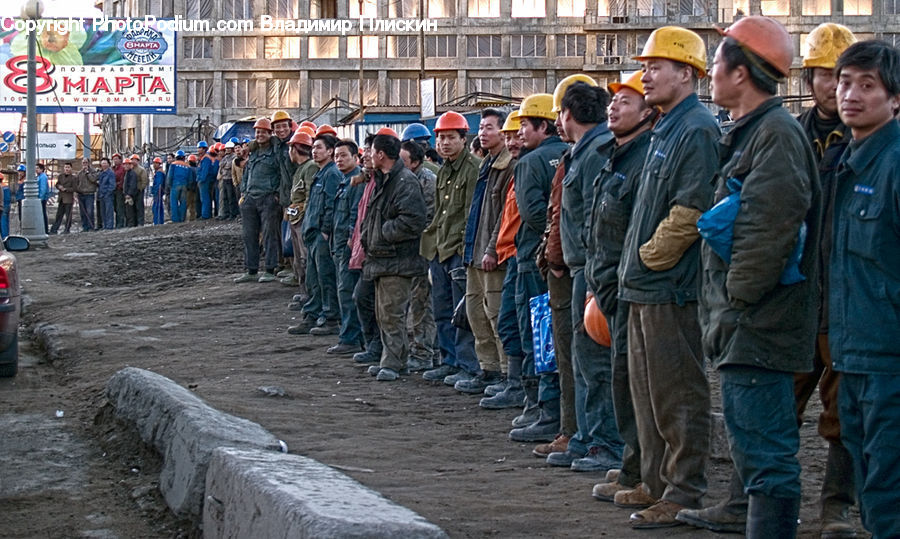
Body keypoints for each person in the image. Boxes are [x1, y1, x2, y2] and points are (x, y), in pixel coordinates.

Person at [696, 17, 821, 537]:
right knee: (754, 449)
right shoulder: (755, 133)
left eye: (718, 61)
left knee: (767, 456)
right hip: (747, 324)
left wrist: (736, 304)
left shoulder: (775, 135)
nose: (710, 72)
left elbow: (768, 233)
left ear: (741, 73)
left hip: (758, 326)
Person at [617, 26, 718, 528]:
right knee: (648, 391)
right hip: (644, 284)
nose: (645, 74)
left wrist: (649, 258)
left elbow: (691, 208)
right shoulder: (666, 126)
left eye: (655, 66)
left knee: (677, 391)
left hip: (668, 285)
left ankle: (684, 490)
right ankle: (654, 483)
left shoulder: (696, 128)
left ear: (687, 73)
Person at [830, 39, 900, 539]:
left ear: (895, 99)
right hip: (853, 355)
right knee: (869, 473)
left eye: (867, 85)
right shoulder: (847, 164)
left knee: (887, 486)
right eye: (844, 82)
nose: (850, 94)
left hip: (890, 360)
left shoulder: (893, 165)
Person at [793, 23, 860, 539]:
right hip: (793, 297)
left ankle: (836, 508)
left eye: (841, 76)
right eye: (823, 75)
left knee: (843, 413)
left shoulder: (873, 144)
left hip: (845, 302)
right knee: (774, 405)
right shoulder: (790, 136)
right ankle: (764, 501)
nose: (833, 87)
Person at [587, 70, 657, 505]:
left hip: (634, 286)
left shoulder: (646, 156)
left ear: (648, 113)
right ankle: (634, 466)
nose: (613, 107)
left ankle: (649, 474)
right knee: (623, 384)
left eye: (625, 101)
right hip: (611, 286)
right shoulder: (616, 154)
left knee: (641, 388)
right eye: (612, 102)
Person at [550, 78, 624, 473]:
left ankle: (605, 442)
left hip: (593, 270)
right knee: (582, 359)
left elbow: (599, 217)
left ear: (569, 113)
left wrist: (595, 274)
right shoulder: (583, 151)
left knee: (596, 359)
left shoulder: (595, 151)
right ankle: (585, 436)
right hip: (581, 268)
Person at [507, 93, 569, 444]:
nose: (519, 134)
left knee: (539, 335)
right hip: (557, 257)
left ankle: (545, 410)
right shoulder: (566, 153)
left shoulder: (530, 163)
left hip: (536, 258)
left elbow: (531, 214)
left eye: (525, 126)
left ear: (542, 125)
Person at [361, 131, 429, 381]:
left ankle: (393, 363)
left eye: (371, 151)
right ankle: (394, 361)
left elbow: (413, 220)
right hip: (384, 257)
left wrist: (381, 233)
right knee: (384, 313)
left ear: (380, 154)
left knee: (392, 313)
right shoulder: (386, 178)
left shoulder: (403, 181)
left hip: (397, 259)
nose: (367, 154)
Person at [420, 111, 481, 386]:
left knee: (462, 313)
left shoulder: (472, 169)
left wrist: (461, 251)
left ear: (463, 139)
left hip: (457, 251)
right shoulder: (444, 169)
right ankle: (449, 360)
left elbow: (470, 216)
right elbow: (440, 214)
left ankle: (468, 365)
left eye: (450, 138)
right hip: (440, 250)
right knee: (442, 309)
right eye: (441, 138)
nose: (444, 143)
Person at [456, 108, 513, 394]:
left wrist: (492, 249)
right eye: (482, 127)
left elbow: (504, 215)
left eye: (490, 127)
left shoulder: (508, 165)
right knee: (476, 313)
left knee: (496, 314)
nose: (483, 132)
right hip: (475, 254)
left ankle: (505, 374)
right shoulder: (487, 164)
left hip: (493, 256)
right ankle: (487, 368)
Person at [479, 111, 527, 411]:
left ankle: (516, 382)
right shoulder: (497, 166)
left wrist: (495, 248)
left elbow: (528, 216)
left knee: (508, 321)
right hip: (509, 253)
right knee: (498, 318)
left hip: (519, 257)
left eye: (514, 134)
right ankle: (513, 383)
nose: (513, 140)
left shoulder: (522, 167)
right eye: (509, 135)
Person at [320, 138, 364, 354]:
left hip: (348, 248)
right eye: (336, 156)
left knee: (347, 292)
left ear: (356, 158)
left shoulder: (356, 181)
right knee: (344, 290)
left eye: (343, 155)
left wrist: (349, 243)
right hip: (339, 247)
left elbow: (355, 215)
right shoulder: (344, 181)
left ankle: (350, 338)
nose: (339, 159)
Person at [294, 134, 341, 333]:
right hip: (312, 233)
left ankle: (330, 319)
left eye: (319, 148)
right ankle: (312, 315)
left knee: (325, 278)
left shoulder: (332, 174)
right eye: (313, 148)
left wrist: (324, 232)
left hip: (321, 236)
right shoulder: (320, 173)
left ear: (330, 151)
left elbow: (331, 206)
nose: (314, 151)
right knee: (313, 278)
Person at [235, 118, 292, 283]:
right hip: (250, 198)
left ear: (270, 133)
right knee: (249, 235)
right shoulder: (253, 152)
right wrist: (244, 193)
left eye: (263, 132)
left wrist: (277, 195)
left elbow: (283, 175)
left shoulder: (276, 151)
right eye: (257, 132)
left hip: (268, 198)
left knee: (270, 235)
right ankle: (251, 270)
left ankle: (270, 268)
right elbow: (246, 174)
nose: (259, 135)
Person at [399, 139, 438, 371]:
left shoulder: (427, 182)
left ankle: (424, 353)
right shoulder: (403, 181)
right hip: (405, 252)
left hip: (422, 251)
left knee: (422, 304)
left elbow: (428, 220)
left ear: (414, 162)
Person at [284, 131, 316, 314]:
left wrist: (301, 211)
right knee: (298, 259)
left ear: (295, 149)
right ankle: (304, 291)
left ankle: (309, 295)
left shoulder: (310, 167)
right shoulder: (301, 169)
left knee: (305, 259)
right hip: (296, 219)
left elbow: (310, 196)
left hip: (303, 220)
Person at [166, 151, 193, 223]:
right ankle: (182, 218)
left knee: (174, 202)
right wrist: (188, 187)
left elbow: (170, 176)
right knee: (183, 202)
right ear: (184, 157)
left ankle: (175, 219)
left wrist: (169, 185)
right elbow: (190, 178)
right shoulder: (188, 166)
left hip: (175, 185)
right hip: (184, 186)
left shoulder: (173, 165)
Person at [50, 162, 77, 234]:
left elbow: (74, 188)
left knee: (68, 215)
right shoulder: (60, 176)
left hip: (68, 198)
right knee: (59, 215)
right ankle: (54, 229)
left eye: (68, 167)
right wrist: (59, 186)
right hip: (61, 198)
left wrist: (66, 189)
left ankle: (67, 229)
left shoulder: (73, 178)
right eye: (65, 167)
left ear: (71, 168)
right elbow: (57, 184)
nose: (67, 169)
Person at [75, 157, 98, 232]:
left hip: (89, 194)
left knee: (90, 211)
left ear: (89, 163)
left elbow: (93, 180)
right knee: (83, 212)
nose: (84, 164)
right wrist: (76, 192)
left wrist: (88, 173)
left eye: (86, 162)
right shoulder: (79, 173)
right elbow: (77, 183)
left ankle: (91, 226)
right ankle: (85, 227)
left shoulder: (93, 171)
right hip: (81, 194)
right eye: (83, 163)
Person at [97, 157, 116, 230]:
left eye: (105, 163)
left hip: (108, 195)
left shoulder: (110, 173)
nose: (103, 165)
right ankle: (105, 225)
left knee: (109, 211)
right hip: (101, 195)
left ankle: (109, 226)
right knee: (103, 212)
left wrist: (108, 193)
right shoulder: (101, 173)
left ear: (108, 164)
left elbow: (112, 185)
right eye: (102, 163)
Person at [130, 154, 148, 226]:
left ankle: (140, 222)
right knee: (132, 207)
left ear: (138, 161)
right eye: (132, 160)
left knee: (139, 207)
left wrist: (141, 188)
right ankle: (134, 222)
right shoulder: (130, 169)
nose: (133, 161)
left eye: (135, 160)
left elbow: (144, 180)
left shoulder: (141, 170)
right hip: (132, 191)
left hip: (139, 190)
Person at [122, 158, 140, 227]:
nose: (126, 166)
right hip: (127, 194)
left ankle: (131, 224)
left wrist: (129, 194)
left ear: (130, 165)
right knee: (128, 211)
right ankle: (130, 223)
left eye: (127, 165)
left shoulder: (132, 173)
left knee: (130, 211)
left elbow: (132, 184)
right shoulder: (127, 173)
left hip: (130, 196)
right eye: (125, 165)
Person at [111, 153, 126, 228]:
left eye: (116, 159)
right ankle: (117, 223)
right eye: (114, 159)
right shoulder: (112, 169)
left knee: (120, 207)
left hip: (120, 190)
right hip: (113, 191)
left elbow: (123, 180)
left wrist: (117, 185)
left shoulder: (122, 169)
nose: (115, 160)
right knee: (115, 207)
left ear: (120, 159)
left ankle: (120, 223)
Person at [151, 157, 166, 225]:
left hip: (158, 193)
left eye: (156, 163)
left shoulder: (159, 173)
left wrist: (155, 191)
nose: (154, 165)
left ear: (159, 164)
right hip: (157, 192)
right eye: (154, 163)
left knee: (157, 208)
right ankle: (159, 221)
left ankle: (158, 222)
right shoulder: (158, 172)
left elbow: (159, 184)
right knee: (158, 207)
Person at [36, 163, 50, 233]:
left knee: (42, 214)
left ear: (42, 169)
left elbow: (43, 189)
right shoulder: (39, 176)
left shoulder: (43, 177)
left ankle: (45, 229)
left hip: (42, 199)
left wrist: (40, 198)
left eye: (38, 168)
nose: (36, 170)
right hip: (40, 198)